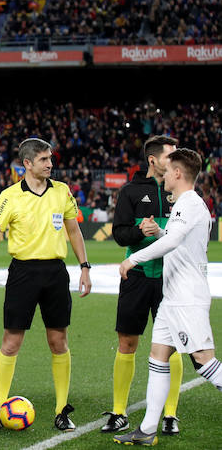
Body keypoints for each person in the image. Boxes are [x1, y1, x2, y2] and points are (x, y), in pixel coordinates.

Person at [114, 148, 220, 445]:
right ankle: (147, 430)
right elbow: (175, 240)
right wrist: (158, 231)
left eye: (168, 168)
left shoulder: (189, 203)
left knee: (204, 362)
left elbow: (175, 242)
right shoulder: (184, 205)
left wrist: (133, 259)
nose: (164, 174)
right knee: (158, 357)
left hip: (187, 298)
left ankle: (147, 429)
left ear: (177, 173)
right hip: (172, 298)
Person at [0, 137, 91, 431]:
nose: (50, 164)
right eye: (44, 160)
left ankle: (61, 410)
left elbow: (74, 231)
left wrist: (84, 267)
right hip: (23, 272)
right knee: (11, 341)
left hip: (56, 272)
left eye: (50, 158)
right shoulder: (9, 196)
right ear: (28, 164)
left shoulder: (62, 192)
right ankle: (0, 407)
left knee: (58, 341)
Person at [104, 135, 182, 434]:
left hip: (170, 278)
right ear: (153, 160)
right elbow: (120, 234)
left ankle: (170, 415)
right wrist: (140, 230)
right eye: (169, 156)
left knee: (171, 345)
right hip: (136, 276)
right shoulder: (131, 191)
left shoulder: (182, 192)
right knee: (127, 342)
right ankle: (119, 412)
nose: (174, 161)